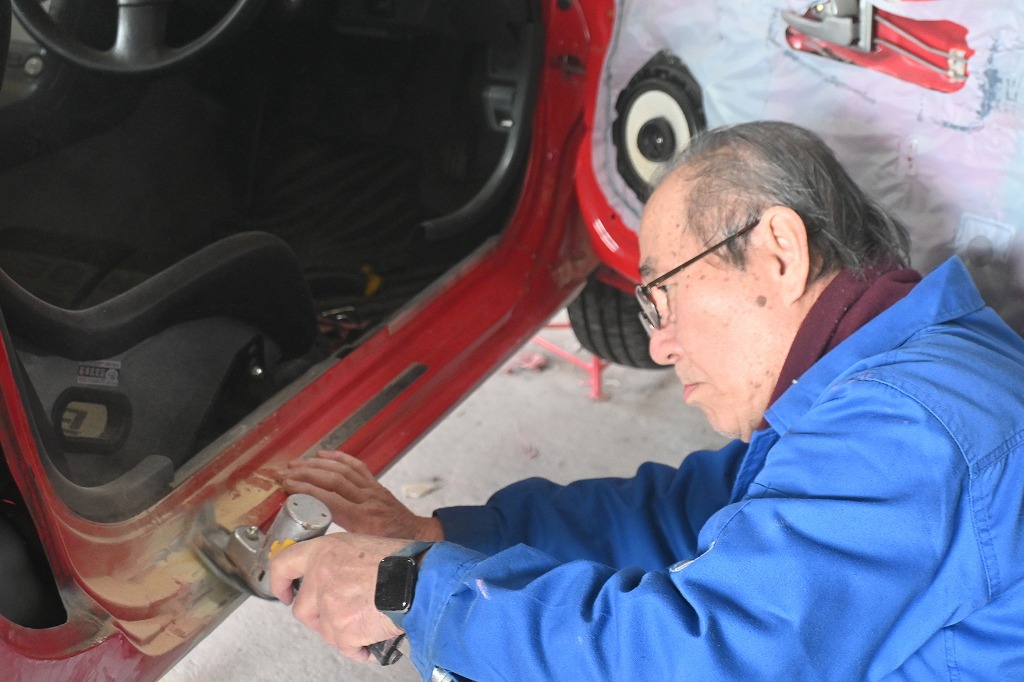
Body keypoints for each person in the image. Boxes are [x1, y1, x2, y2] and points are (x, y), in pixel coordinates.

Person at [269, 120, 1024, 679]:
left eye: (660, 296)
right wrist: (442, 535)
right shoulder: (889, 377)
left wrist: (415, 588)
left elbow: (696, 659)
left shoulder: (909, 429)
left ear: (778, 254)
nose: (658, 346)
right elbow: (684, 513)